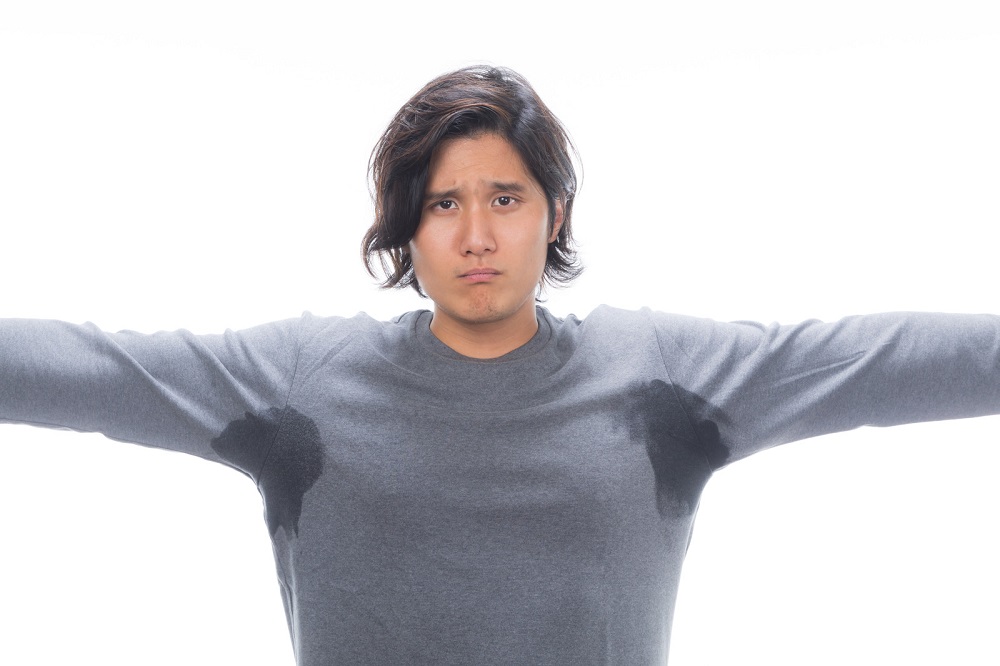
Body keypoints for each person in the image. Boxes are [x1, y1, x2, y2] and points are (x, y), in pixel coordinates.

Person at [1, 65, 998, 665]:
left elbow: (870, 362)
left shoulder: (659, 373)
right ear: (407, 225)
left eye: (506, 199)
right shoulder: (303, 382)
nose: (476, 235)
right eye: (443, 204)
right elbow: (100, 372)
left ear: (553, 215)